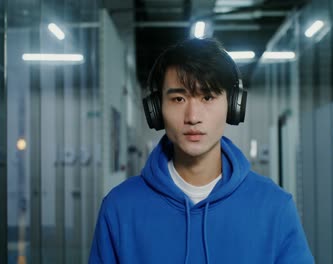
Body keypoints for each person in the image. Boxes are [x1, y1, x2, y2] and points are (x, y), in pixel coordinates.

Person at [89, 38, 314, 263]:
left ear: (233, 106)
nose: (193, 117)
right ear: (156, 110)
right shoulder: (119, 208)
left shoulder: (274, 207)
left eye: (207, 97)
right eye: (178, 99)